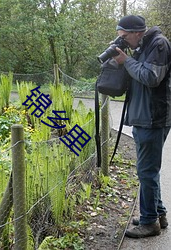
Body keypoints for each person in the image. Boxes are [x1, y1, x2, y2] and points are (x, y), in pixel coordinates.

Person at [113, 15, 171, 238]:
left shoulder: (159, 44)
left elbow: (150, 77)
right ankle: (158, 214)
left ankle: (149, 223)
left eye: (125, 37)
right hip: (143, 117)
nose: (124, 41)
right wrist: (123, 59)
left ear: (137, 32)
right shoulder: (142, 46)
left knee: (146, 171)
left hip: (153, 118)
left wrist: (126, 61)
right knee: (148, 171)